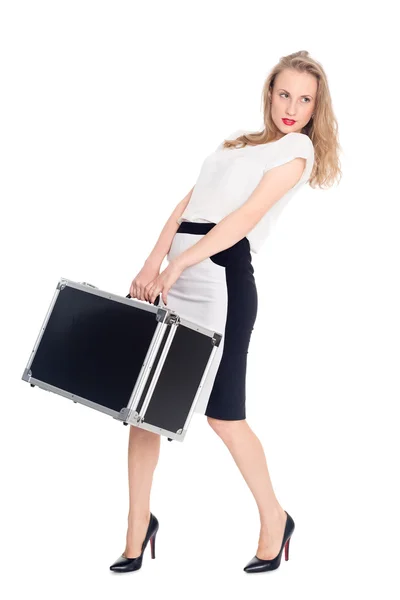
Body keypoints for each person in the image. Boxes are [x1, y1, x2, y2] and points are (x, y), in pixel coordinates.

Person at [110, 50, 341, 574]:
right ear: (270, 92)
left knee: (225, 416)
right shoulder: (237, 144)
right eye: (285, 94)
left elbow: (242, 221)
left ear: (314, 108)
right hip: (179, 268)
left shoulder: (297, 151)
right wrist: (153, 262)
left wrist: (177, 268)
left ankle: (275, 520)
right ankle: (136, 527)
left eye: (305, 99)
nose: (292, 107)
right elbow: (185, 207)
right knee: (142, 408)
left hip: (222, 282)